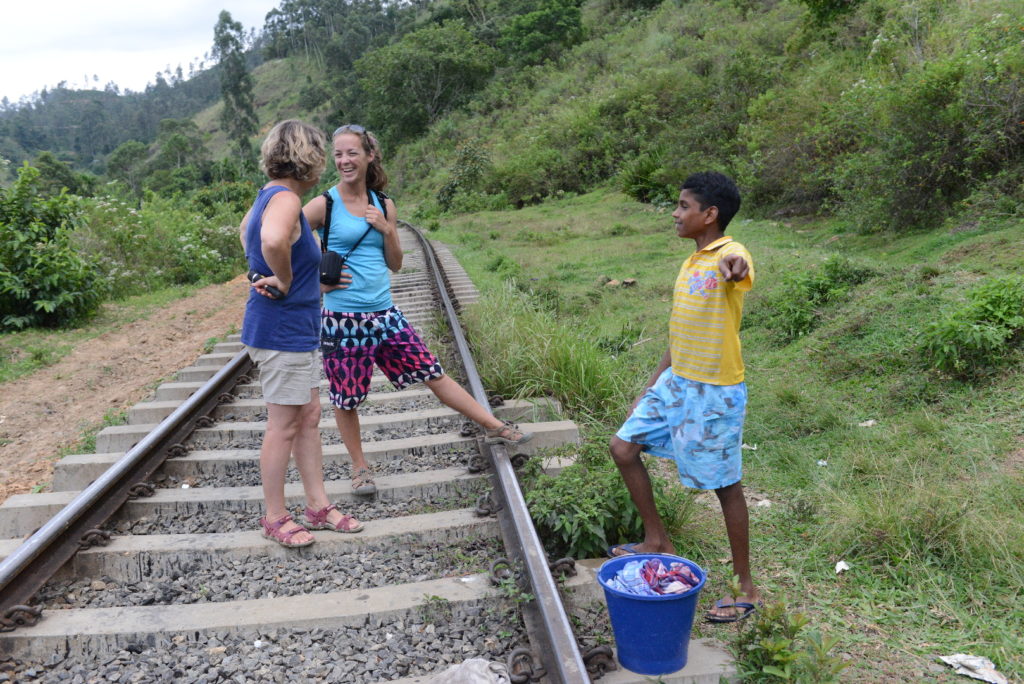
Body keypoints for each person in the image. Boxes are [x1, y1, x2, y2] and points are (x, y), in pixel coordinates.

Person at [303, 124, 532, 496]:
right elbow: (283, 240)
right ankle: (360, 468)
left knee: (432, 371)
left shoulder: (384, 204)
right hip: (343, 320)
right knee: (346, 398)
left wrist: (388, 230)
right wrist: (317, 282)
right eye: (339, 154)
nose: (344, 161)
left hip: (385, 313)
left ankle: (495, 426)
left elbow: (394, 264)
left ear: (369, 155)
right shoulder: (323, 205)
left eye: (352, 153)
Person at [608, 171, 760, 623]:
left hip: (714, 391)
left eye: (683, 206)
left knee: (724, 484)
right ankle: (656, 539)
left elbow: (739, 264)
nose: (675, 214)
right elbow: (681, 334)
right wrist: (651, 385)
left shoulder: (727, 254)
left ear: (709, 215)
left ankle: (745, 586)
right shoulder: (692, 262)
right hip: (676, 382)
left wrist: (736, 267)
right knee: (622, 448)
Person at [240, 119, 364, 548]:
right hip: (282, 331)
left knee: (308, 416)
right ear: (308, 159)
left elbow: (247, 233)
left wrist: (261, 270)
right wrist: (285, 279)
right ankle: (275, 516)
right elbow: (273, 239)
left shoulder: (269, 195)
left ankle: (317, 505)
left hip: (294, 329)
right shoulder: (288, 201)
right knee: (284, 426)